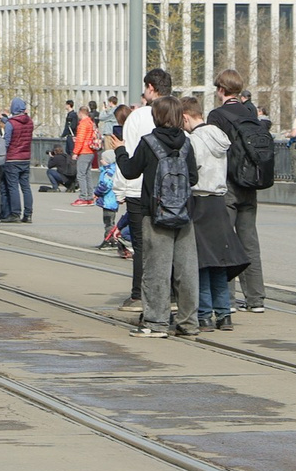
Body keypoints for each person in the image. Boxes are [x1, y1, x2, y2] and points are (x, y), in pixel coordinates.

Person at [107, 94, 198, 337]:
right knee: (186, 271)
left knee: (156, 269)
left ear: (157, 116)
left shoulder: (149, 142)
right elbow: (193, 178)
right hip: (184, 214)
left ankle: (156, 322)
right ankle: (189, 323)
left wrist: (120, 150)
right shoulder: (187, 143)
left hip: (155, 214)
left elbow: (130, 171)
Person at [204, 68, 268, 315]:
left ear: (221, 89)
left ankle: (226, 299)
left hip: (227, 184)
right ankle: (256, 298)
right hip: (250, 184)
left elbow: (212, 150)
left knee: (224, 242)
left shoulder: (217, 115)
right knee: (249, 240)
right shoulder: (250, 113)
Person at [183, 98, 246, 331]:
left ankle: (204, 315)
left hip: (199, 200)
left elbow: (191, 172)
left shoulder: (193, 140)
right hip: (219, 201)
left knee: (201, 263)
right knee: (219, 262)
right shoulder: (220, 137)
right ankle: (224, 314)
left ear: (185, 117)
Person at [113, 69, 166, 313]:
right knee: (167, 242)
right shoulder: (177, 111)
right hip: (169, 189)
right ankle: (169, 293)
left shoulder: (137, 117)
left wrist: (120, 191)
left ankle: (138, 294)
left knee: (141, 244)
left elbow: (129, 151)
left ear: (151, 88)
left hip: (138, 188)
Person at [0, 98, 35, 223]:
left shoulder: (10, 124)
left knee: (13, 187)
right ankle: (28, 214)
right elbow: (16, 123)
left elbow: (7, 141)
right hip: (25, 158)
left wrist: (2, 155)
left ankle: (15, 213)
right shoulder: (30, 122)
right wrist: (2, 118)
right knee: (26, 187)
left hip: (12, 159)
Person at [70, 101, 98, 205]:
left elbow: (81, 139)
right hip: (91, 151)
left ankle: (83, 197)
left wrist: (75, 152)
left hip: (84, 151)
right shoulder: (91, 122)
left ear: (81, 113)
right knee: (87, 175)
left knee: (81, 175)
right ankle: (90, 196)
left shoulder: (83, 124)